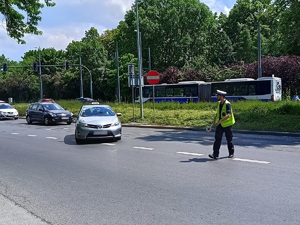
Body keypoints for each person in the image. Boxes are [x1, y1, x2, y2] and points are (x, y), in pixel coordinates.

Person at [209, 90, 235, 160]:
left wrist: (220, 121)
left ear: (221, 96)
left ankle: (231, 153)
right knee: (217, 139)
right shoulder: (218, 103)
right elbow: (218, 113)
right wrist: (214, 121)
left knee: (229, 139)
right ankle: (215, 154)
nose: (217, 97)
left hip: (227, 125)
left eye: (218, 95)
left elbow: (228, 115)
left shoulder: (227, 104)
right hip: (220, 125)